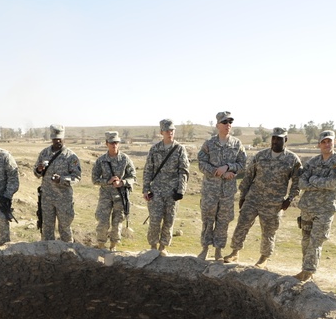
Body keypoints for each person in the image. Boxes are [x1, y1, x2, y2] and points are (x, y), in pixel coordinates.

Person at [223, 127, 302, 266]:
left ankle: (263, 258)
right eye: (274, 138)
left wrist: (289, 199)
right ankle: (235, 252)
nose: (275, 141)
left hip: (274, 203)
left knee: (269, 231)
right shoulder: (260, 156)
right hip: (253, 198)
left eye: (279, 138)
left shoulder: (292, 160)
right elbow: (248, 176)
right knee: (242, 224)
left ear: (286, 140)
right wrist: (243, 196)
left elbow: (297, 182)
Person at [293, 130, 336, 282]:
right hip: (307, 207)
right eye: (323, 142)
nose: (326, 144)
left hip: (325, 209)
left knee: (315, 241)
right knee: (305, 240)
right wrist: (318, 182)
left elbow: (333, 183)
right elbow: (301, 182)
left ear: (334, 142)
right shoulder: (313, 162)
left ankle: (308, 272)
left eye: (329, 141)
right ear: (319, 144)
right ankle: (305, 270)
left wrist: (313, 180)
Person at [197, 111, 246, 260]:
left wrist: (228, 167)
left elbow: (243, 164)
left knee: (223, 221)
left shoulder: (236, 144)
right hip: (210, 190)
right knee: (207, 219)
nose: (228, 125)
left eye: (230, 122)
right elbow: (201, 163)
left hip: (227, 192)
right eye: (225, 122)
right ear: (218, 125)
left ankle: (218, 250)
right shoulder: (209, 143)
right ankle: (205, 248)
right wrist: (218, 172)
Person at [142, 119, 190, 254]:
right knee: (155, 221)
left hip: (172, 192)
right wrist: (146, 189)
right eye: (167, 130)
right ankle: (153, 247)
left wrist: (181, 190)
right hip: (156, 191)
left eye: (172, 130)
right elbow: (148, 171)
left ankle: (163, 247)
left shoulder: (180, 149)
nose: (170, 133)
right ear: (161, 132)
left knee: (169, 221)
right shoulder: (155, 149)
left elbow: (184, 171)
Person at [34, 125, 82, 242]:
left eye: (60, 138)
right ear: (51, 138)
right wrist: (39, 169)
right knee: (47, 228)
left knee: (65, 228)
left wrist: (62, 179)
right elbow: (36, 173)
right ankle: (47, 254)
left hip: (63, 198)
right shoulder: (44, 153)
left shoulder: (71, 156)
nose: (58, 141)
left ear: (63, 137)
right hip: (47, 198)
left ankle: (67, 253)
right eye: (55, 138)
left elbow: (77, 176)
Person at [92, 131, 137, 251]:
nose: (114, 145)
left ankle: (113, 247)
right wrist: (108, 181)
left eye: (116, 142)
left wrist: (122, 183)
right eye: (111, 143)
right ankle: (101, 245)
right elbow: (94, 179)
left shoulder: (125, 159)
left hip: (120, 196)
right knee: (102, 222)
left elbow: (133, 177)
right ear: (106, 143)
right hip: (105, 195)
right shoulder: (101, 160)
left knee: (117, 223)